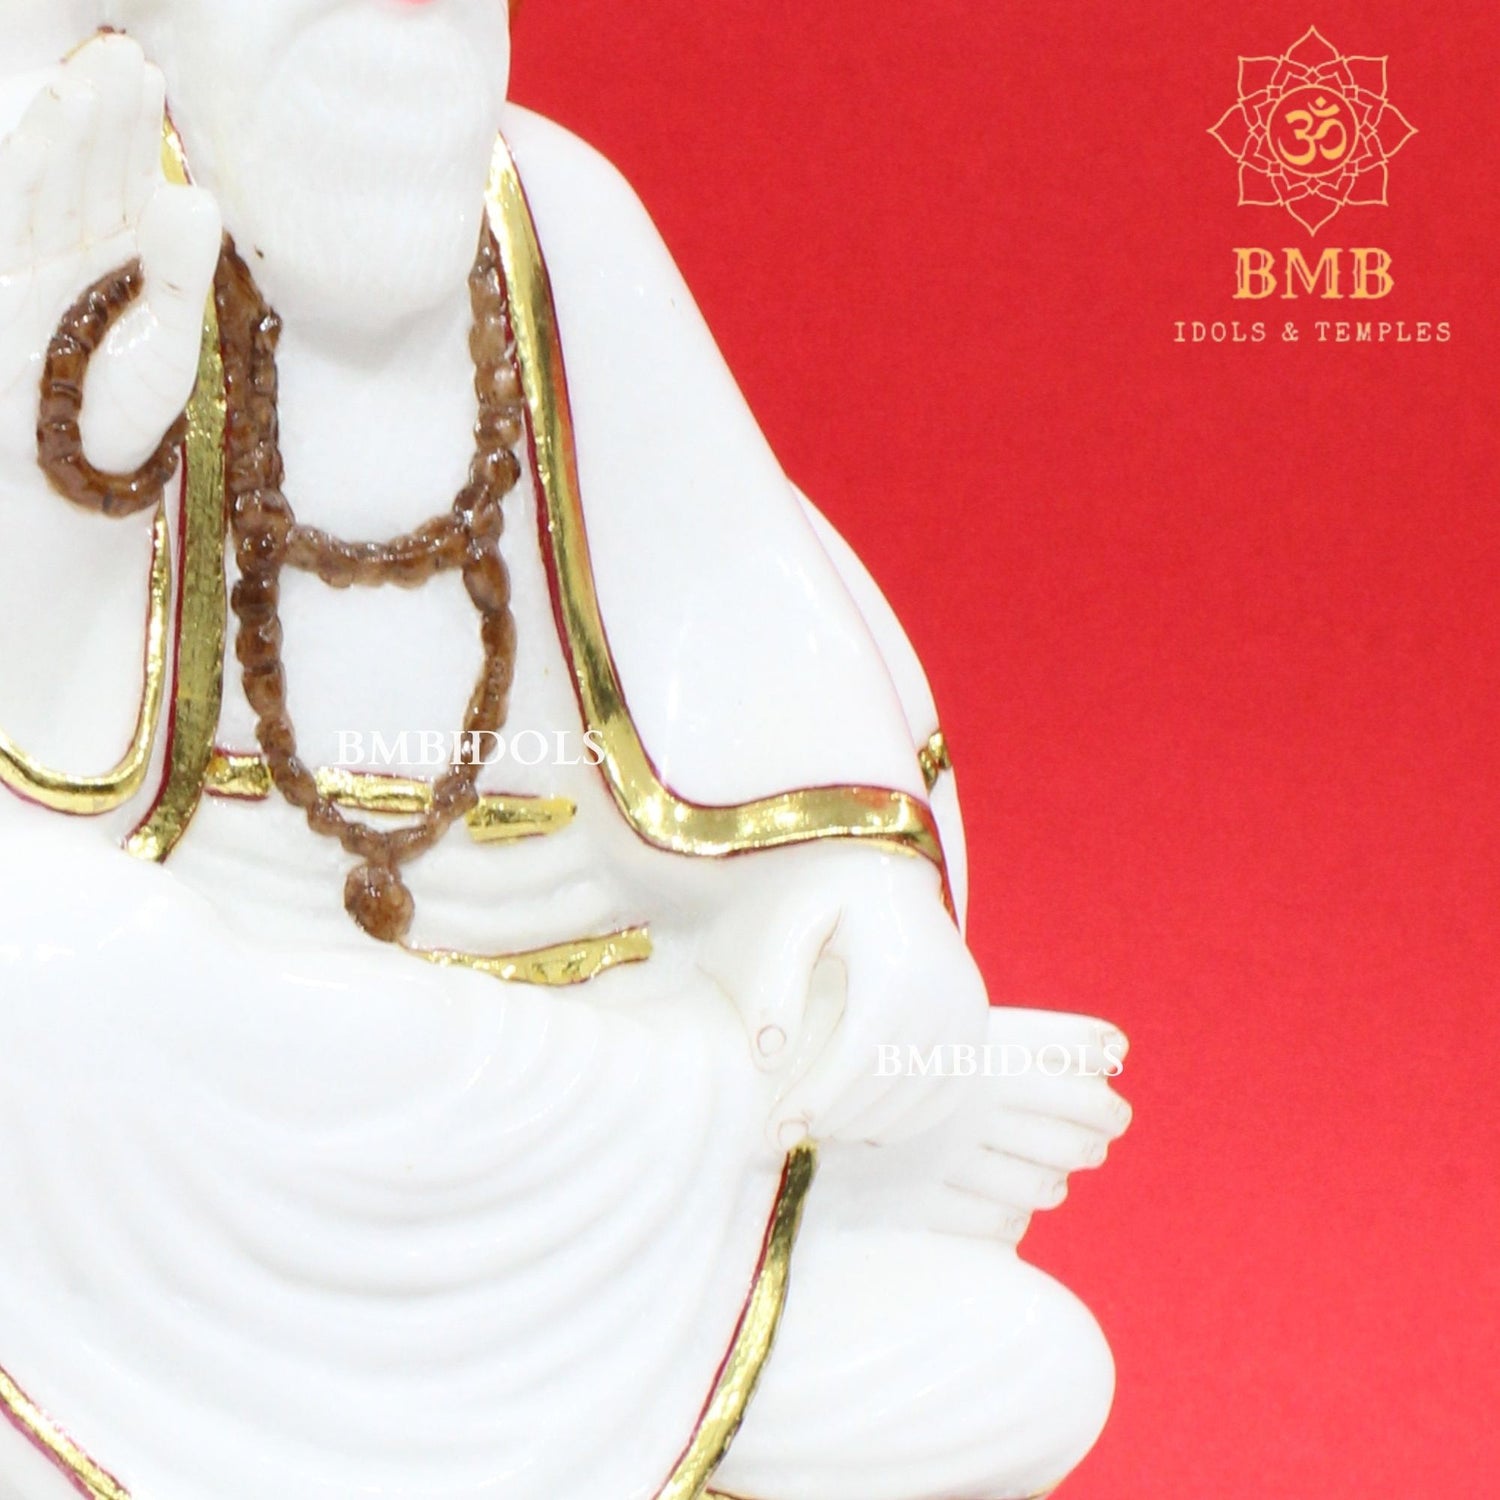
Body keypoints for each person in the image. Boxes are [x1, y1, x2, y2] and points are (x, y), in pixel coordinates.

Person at [0, 6, 1130, 1498]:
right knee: (30, 949)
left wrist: (860, 918)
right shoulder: (88, 231)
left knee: (1024, 1372)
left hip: (580, 1078)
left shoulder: (562, 224)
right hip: (217, 1133)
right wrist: (64, 460)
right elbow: (38, 773)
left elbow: (741, 629)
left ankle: (718, 1226)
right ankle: (725, 1135)